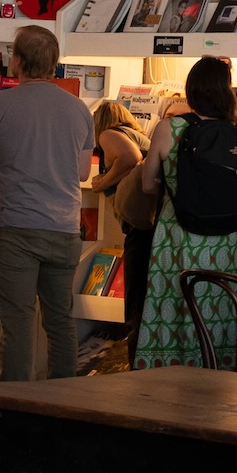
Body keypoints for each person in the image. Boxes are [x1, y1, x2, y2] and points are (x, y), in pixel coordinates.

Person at [0, 25, 94, 382]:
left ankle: (13, 414)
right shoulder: (80, 109)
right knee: (60, 321)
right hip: (65, 230)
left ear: (16, 61)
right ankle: (62, 409)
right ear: (54, 64)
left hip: (17, 229)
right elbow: (82, 173)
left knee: (18, 324)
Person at [133, 56, 237, 370]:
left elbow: (148, 184)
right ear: (226, 92)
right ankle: (223, 363)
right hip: (226, 238)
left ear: (191, 89)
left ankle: (178, 364)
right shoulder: (235, 134)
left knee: (178, 299)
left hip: (178, 233)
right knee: (221, 299)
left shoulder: (168, 128)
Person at [85, 99, 154, 338]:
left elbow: (129, 158)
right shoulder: (138, 136)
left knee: (135, 303)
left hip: (139, 225)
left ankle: (136, 363)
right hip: (155, 221)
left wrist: (103, 181)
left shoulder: (108, 134)